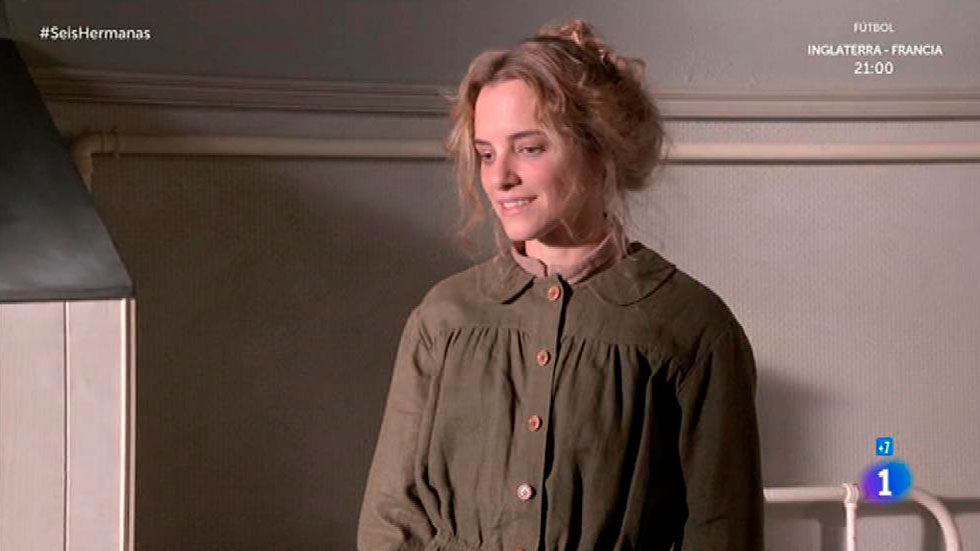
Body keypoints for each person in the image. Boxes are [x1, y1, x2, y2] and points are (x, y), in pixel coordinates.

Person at [358, 18, 764, 551]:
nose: (499, 177)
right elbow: (391, 518)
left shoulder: (692, 327)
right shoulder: (443, 318)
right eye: (486, 153)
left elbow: (722, 534)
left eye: (528, 148)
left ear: (599, 149)